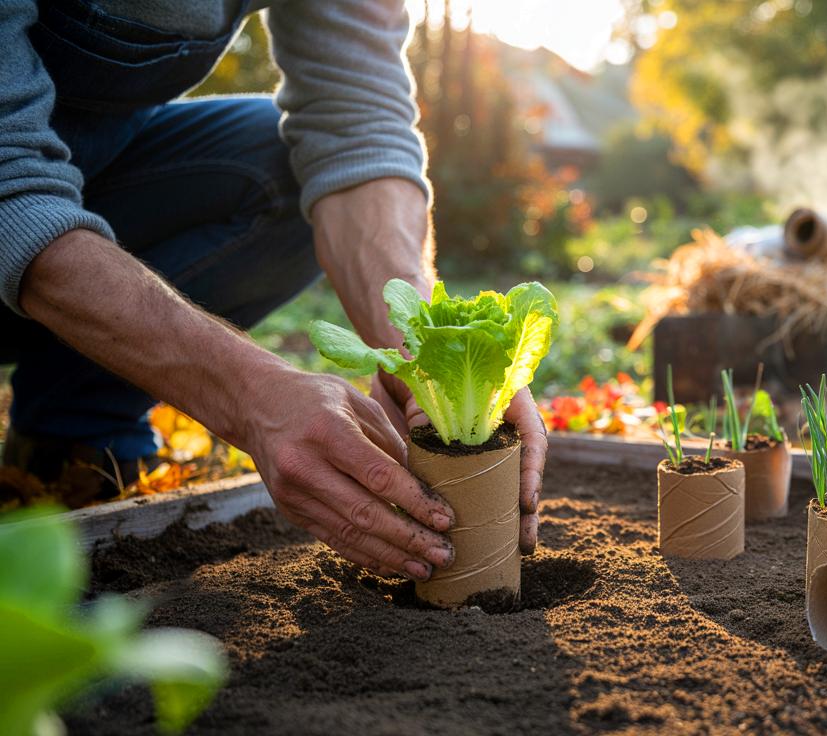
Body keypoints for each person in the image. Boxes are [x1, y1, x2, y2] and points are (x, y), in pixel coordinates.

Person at [0, 0, 546, 582]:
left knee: (280, 164)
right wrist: (252, 395)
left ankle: (71, 431)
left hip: (91, 172)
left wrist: (422, 345)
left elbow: (358, 128)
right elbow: (12, 192)